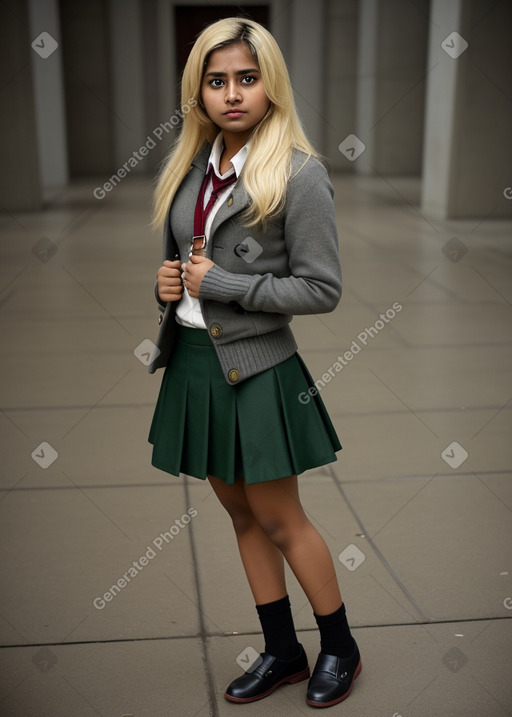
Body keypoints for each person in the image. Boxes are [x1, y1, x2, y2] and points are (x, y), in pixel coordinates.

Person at [147, 16, 361, 708]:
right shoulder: (191, 168)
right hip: (196, 366)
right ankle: (283, 649)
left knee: (281, 518)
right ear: (198, 92)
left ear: (271, 84)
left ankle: (339, 646)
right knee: (240, 515)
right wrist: (168, 284)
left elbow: (321, 289)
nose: (232, 93)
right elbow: (190, 259)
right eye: (217, 81)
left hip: (259, 371)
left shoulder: (300, 175)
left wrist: (223, 285)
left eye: (246, 77)